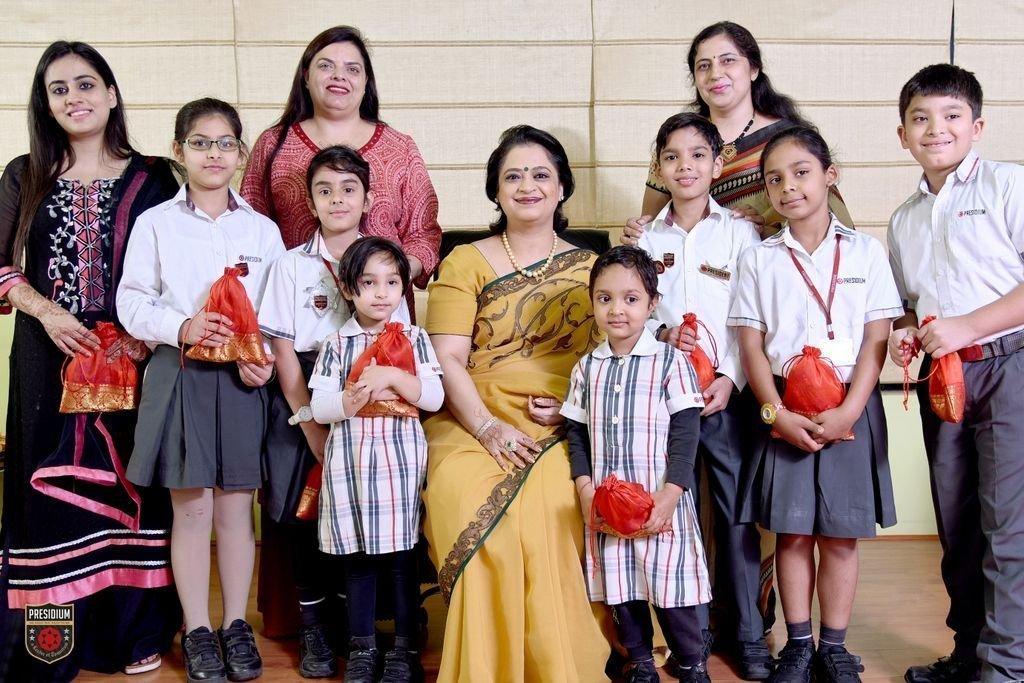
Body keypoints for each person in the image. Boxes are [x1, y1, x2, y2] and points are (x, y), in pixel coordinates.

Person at [240, 24, 440, 636]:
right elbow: (252, 230)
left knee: (384, 497)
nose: (338, 76)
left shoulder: (399, 147)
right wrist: (304, 409)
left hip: (379, 353)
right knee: (294, 491)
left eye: (353, 67)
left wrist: (380, 280)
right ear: (305, 75)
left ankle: (382, 627)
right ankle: (314, 626)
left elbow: (425, 233)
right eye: (325, 65)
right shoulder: (275, 144)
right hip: (297, 353)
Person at [0, 40, 181, 681]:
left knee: (137, 486)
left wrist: (144, 337)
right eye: (59, 89)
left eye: (85, 84)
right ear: (46, 105)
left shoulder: (155, 176)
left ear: (111, 93)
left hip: (132, 355)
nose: (74, 98)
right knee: (47, 495)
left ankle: (134, 633)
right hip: (46, 358)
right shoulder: (25, 174)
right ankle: (51, 643)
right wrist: (47, 312)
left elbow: (176, 265)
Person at [423, 125, 609, 682]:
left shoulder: (592, 268)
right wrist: (487, 428)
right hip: (469, 417)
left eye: (541, 175)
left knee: (553, 502)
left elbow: (611, 359)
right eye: (513, 176)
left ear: (562, 187)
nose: (527, 186)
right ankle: (489, 665)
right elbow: (446, 359)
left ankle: (556, 664)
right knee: (469, 500)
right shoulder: (464, 262)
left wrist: (573, 409)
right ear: (496, 191)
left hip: (564, 419)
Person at [117, 98, 285, 683]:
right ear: (178, 151)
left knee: (237, 509)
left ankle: (235, 624)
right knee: (191, 511)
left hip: (242, 379)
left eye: (225, 143)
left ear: (241, 153)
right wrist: (182, 326)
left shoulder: (262, 229)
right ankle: (196, 629)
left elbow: (276, 311)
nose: (214, 154)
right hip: (181, 372)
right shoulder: (156, 223)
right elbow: (132, 300)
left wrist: (263, 361)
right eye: (200, 142)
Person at [728, 126, 902, 683]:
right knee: (793, 532)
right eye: (774, 179)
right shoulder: (758, 259)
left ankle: (834, 648)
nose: (788, 187)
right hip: (786, 408)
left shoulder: (867, 251)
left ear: (830, 176)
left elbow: (876, 339)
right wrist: (775, 413)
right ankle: (798, 646)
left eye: (801, 173)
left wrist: (851, 411)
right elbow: (751, 346)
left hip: (851, 406)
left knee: (840, 535)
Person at [888, 64, 1024, 683]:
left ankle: (1006, 667)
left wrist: (968, 326)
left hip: (1009, 368)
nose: (935, 129)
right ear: (902, 134)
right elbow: (910, 304)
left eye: (950, 116)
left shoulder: (1008, 186)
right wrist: (904, 332)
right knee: (958, 523)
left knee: (1008, 525)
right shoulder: (904, 219)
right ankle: (970, 652)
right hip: (943, 382)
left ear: (978, 126)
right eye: (920, 118)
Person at [259, 145, 411, 678]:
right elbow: (282, 350)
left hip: (372, 401)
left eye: (349, 189)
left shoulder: (385, 265)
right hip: (303, 393)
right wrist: (309, 425)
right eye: (324, 190)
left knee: (373, 512)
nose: (337, 199)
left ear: (368, 198)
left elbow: (401, 343)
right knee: (299, 512)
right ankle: (315, 628)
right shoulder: (290, 264)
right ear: (310, 201)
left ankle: (364, 630)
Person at [635, 112, 770, 678]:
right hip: (663, 398)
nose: (685, 167)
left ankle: (749, 637)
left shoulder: (740, 232)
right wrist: (662, 333)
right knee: (672, 514)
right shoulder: (644, 238)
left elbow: (752, 315)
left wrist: (731, 378)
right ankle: (687, 638)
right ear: (659, 167)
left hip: (724, 393)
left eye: (697, 156)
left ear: (718, 165)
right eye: (672, 157)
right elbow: (630, 314)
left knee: (736, 516)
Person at [562, 245, 711, 683]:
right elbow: (576, 434)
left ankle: (691, 661)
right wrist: (585, 489)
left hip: (660, 499)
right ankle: (641, 662)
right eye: (605, 298)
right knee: (621, 588)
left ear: (652, 304)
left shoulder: (671, 363)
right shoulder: (587, 368)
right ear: (592, 302)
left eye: (631, 299)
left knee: (672, 588)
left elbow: (686, 432)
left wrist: (671, 492)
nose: (617, 310)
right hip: (608, 505)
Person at [308, 237, 442, 682]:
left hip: (399, 464)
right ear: (348, 288)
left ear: (404, 287)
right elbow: (320, 407)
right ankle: (362, 646)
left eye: (392, 282)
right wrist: (348, 401)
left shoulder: (416, 340)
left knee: (402, 558)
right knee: (359, 559)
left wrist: (392, 376)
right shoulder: (335, 344)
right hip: (351, 464)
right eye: (369, 283)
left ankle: (405, 647)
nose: (382, 293)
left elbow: (434, 398)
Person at [624, 21, 852, 239]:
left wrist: (762, 230)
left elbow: (830, 229)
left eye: (728, 61)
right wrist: (637, 233)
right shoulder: (677, 143)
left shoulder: (790, 140)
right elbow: (652, 227)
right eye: (704, 66)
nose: (715, 74)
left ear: (753, 69)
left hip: (777, 260)